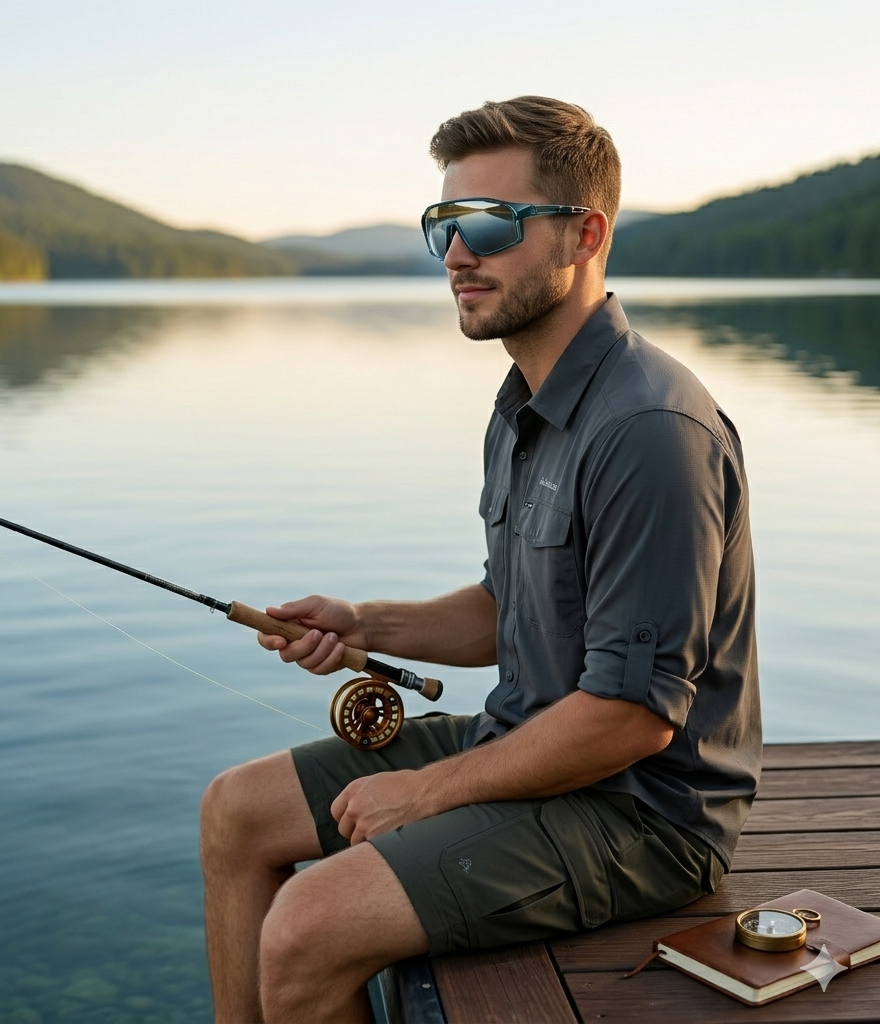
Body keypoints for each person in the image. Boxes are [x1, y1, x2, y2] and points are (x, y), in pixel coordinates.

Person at [200, 96, 761, 1024]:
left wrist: (424, 792)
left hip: (643, 818)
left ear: (584, 235)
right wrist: (366, 625)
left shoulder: (651, 430)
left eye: (492, 225)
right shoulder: (525, 403)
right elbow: (516, 609)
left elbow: (630, 721)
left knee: (309, 922)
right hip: (527, 748)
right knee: (236, 811)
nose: (459, 254)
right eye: (444, 225)